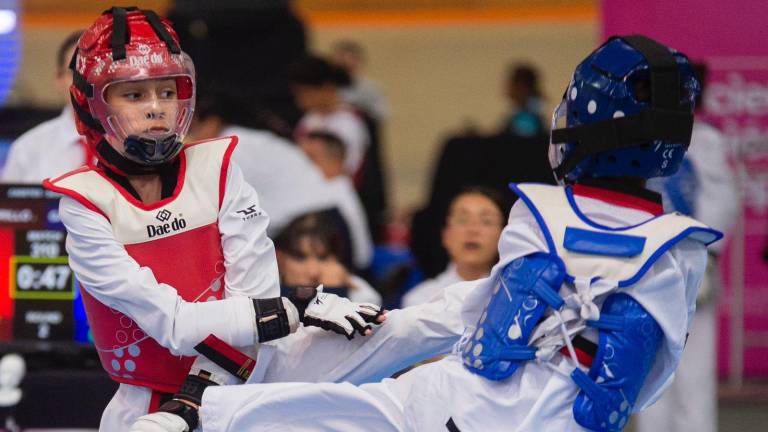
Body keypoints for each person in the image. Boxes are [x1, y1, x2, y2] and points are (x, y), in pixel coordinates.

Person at [135, 35, 724, 432]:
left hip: (462, 404)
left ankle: (200, 413)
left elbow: (472, 327)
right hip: (538, 416)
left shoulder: (540, 215)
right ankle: (204, 411)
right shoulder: (681, 249)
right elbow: (623, 390)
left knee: (346, 408)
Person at [42, 7, 382, 430]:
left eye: (167, 93)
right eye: (134, 95)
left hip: (238, 383)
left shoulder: (218, 168)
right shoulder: (84, 202)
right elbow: (173, 322)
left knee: (399, 333)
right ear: (92, 105)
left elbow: (251, 300)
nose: (156, 109)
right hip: (146, 403)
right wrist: (293, 305)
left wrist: (198, 395)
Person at [636, 63, 739, 432]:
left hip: (692, 265)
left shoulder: (705, 139)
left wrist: (705, 254)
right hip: (646, 265)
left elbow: (722, 200)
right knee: (650, 372)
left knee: (693, 373)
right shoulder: (638, 137)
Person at [1, 31, 89, 183]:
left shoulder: (131, 148)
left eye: (93, 72)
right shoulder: (27, 148)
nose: (85, 83)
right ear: (59, 79)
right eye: (75, 73)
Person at [402, 186, 507, 308]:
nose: (473, 230)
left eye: (486, 221)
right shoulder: (420, 301)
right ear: (445, 235)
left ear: (504, 235)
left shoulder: (516, 299)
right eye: (463, 220)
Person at [298, 130, 373, 269]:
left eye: (310, 159)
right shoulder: (340, 188)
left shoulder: (329, 195)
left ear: (336, 162)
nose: (300, 166)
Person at [290, 55, 370, 176]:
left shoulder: (348, 123)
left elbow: (342, 172)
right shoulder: (310, 119)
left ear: (327, 88)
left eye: (305, 92)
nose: (299, 100)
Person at [276, 212, 381, 305]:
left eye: (323, 258)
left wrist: (339, 292)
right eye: (300, 258)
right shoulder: (263, 289)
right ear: (279, 258)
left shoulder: (360, 294)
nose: (313, 272)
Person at [329, 39, 389, 122]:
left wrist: (356, 111)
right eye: (339, 67)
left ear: (358, 64)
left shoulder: (370, 88)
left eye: (347, 68)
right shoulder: (326, 88)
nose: (343, 72)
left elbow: (381, 115)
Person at [499, 62, 546, 138]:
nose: (508, 87)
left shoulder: (527, 118)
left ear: (522, 86)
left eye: (512, 84)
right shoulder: (522, 112)